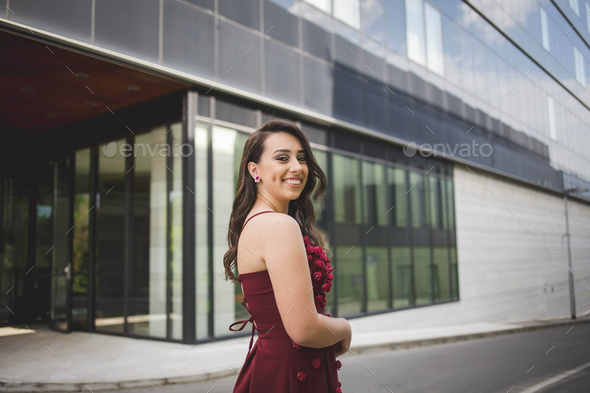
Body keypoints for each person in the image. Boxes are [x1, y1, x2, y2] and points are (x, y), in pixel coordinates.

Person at [225, 119, 351, 392]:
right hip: (291, 373)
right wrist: (344, 328)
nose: (297, 167)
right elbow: (303, 329)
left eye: (302, 158)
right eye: (282, 158)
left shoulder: (256, 222)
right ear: (254, 170)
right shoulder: (278, 225)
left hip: (276, 365)